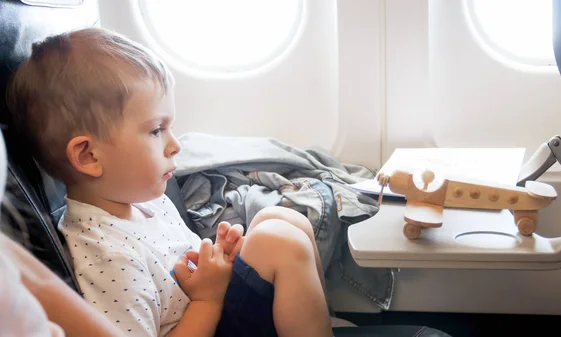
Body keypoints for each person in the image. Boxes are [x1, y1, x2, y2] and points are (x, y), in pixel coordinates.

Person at [7, 27, 332, 337]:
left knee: (280, 219)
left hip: (211, 309)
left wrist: (218, 258)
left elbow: (179, 272)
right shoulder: (106, 258)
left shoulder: (144, 201)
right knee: (279, 242)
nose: (175, 144)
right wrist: (209, 299)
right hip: (206, 318)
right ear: (89, 156)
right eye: (155, 130)